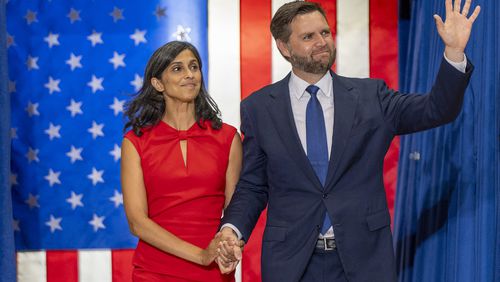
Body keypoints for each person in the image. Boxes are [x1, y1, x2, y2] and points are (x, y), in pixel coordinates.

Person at [217, 0, 480, 281]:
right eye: (308, 37)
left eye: (325, 33)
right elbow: (253, 185)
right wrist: (232, 228)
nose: (321, 42)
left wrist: (454, 52)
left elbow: (436, 109)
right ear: (284, 47)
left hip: (364, 260)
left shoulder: (372, 96)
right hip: (292, 263)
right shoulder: (258, 108)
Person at [121, 41, 243, 281]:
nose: (189, 75)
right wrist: (200, 255)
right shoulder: (135, 142)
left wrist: (228, 248)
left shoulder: (228, 137)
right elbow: (137, 222)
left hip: (214, 271)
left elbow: (236, 212)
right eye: (177, 69)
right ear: (157, 83)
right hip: (154, 272)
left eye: (194, 67)